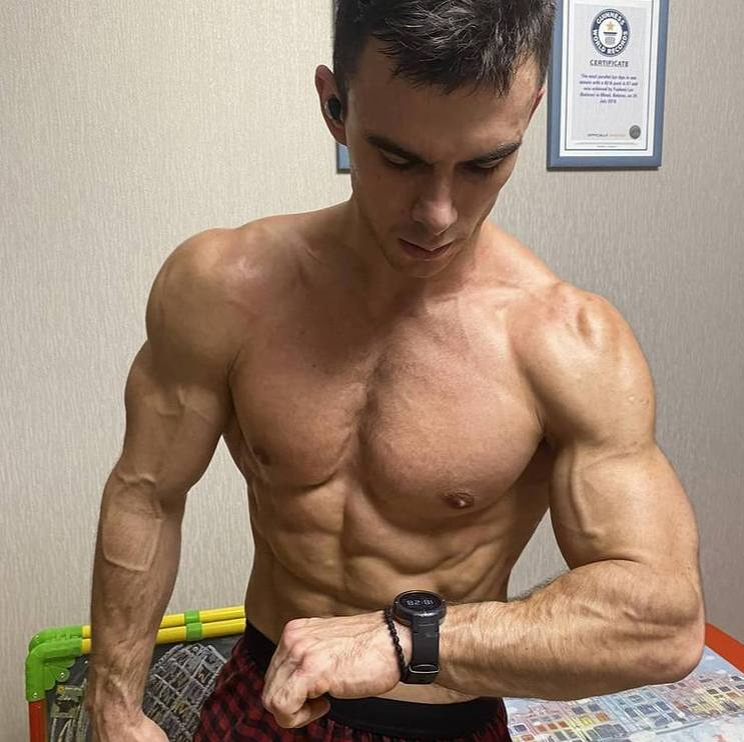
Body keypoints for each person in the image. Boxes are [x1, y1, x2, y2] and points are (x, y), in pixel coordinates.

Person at [86, 1, 706, 740]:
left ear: (531, 111)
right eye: (400, 159)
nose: (437, 213)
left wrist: (407, 639)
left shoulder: (566, 344)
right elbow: (148, 493)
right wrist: (115, 704)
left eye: (484, 163)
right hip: (261, 695)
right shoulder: (222, 289)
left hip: (443, 723)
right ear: (335, 106)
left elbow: (663, 623)